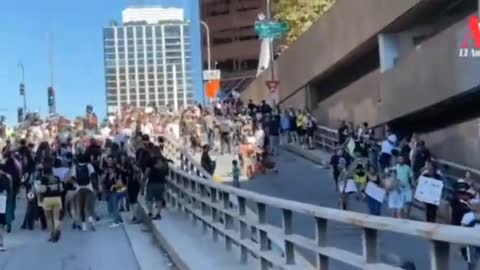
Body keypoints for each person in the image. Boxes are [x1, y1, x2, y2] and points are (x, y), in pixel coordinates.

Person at [37, 166, 63, 242]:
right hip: (57, 199)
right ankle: (57, 230)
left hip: (47, 199)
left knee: (49, 219)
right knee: (56, 218)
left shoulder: (43, 179)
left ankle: (52, 235)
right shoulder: (57, 178)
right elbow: (61, 189)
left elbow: (42, 190)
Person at [71, 154, 96, 231]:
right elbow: (93, 176)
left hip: (79, 188)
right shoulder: (89, 166)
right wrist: (95, 186)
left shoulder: (74, 167)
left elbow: (73, 178)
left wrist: (75, 185)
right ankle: (90, 217)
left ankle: (83, 224)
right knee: (90, 205)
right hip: (89, 187)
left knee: (81, 207)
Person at [145, 146, 170, 219]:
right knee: (159, 199)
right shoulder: (164, 160)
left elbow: (147, 172)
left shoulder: (150, 160)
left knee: (149, 198)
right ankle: (158, 213)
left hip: (152, 181)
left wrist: (143, 180)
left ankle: (150, 212)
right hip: (161, 182)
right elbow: (166, 172)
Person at [0, 166, 11, 251]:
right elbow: (9, 190)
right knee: (1, 224)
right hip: (2, 201)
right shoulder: (5, 178)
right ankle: (1, 243)